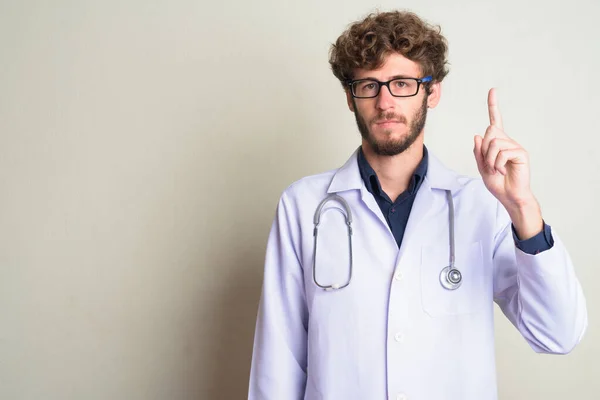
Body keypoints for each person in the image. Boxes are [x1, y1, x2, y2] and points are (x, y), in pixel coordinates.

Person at [248, 10, 587, 400]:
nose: (385, 101)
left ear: (432, 91)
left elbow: (558, 334)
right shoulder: (303, 206)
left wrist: (523, 207)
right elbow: (277, 362)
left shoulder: (483, 206)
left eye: (402, 83)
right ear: (349, 97)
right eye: (369, 85)